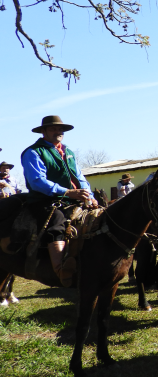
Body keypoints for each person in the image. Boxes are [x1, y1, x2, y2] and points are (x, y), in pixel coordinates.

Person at [20, 115, 97, 287]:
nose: (58, 132)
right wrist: (68, 192)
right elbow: (37, 182)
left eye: (60, 129)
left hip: (72, 198)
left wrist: (89, 195)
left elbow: (79, 176)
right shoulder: (33, 152)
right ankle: (61, 270)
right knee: (57, 221)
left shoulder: (68, 151)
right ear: (44, 131)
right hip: (44, 200)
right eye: (53, 129)